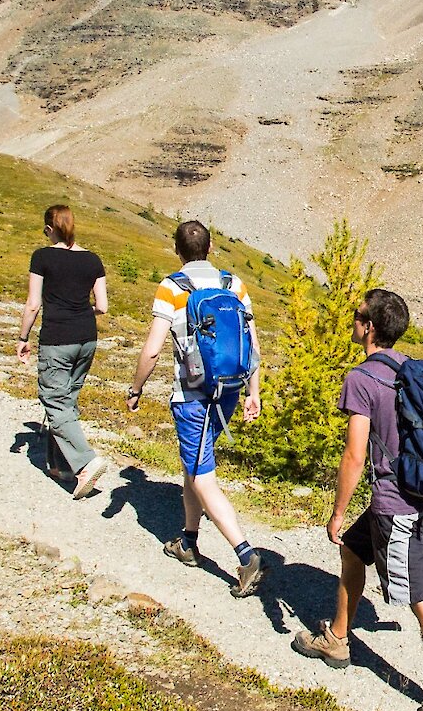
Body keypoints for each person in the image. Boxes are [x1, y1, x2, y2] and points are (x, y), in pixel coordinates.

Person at [290, 288, 423, 711]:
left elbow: (355, 455)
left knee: (422, 600)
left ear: (370, 327)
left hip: (394, 509)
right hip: (415, 500)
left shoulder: (362, 378)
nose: (353, 320)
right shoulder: (410, 371)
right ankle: (338, 639)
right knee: (355, 554)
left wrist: (337, 512)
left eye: (357, 315)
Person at [127, 220, 265, 597]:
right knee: (194, 465)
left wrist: (136, 388)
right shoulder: (231, 284)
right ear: (211, 247)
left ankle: (246, 555)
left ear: (177, 250)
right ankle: (189, 541)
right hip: (230, 389)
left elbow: (153, 348)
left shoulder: (172, 287)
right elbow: (252, 343)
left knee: (203, 476)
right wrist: (255, 391)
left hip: (192, 396)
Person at [17, 204, 113, 498]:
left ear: (49, 228)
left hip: (57, 337)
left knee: (55, 401)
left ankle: (85, 462)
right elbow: (102, 306)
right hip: (87, 337)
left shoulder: (42, 256)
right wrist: (81, 311)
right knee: (67, 400)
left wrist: (23, 337)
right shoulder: (92, 259)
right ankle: (60, 465)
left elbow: (33, 303)